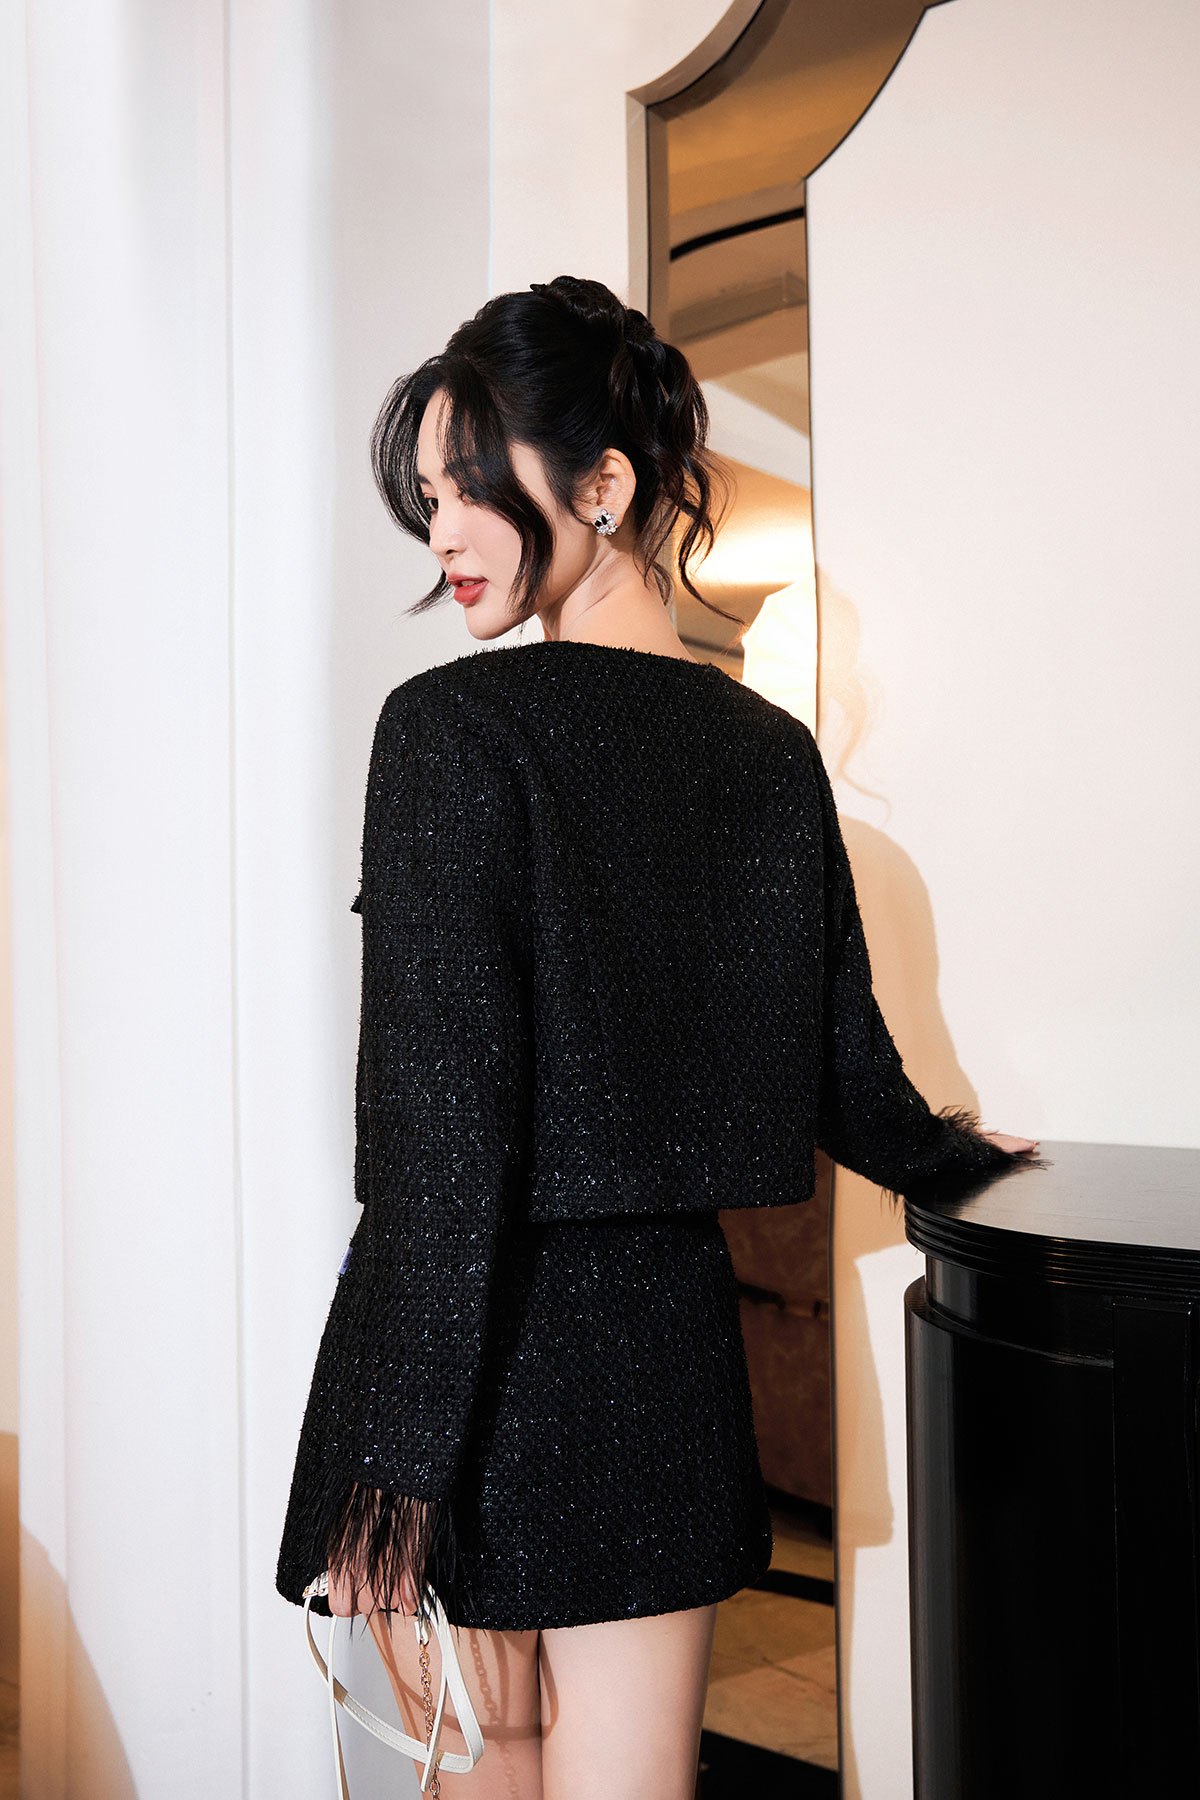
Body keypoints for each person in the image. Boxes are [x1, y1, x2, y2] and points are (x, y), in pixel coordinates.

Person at [274, 274, 1040, 1798]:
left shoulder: (453, 731)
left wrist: (393, 1472)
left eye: (470, 486)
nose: (443, 534)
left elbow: (441, 1139)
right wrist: (989, 1167)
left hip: (475, 1371)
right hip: (668, 1353)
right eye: (428, 498)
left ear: (605, 485)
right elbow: (852, 1080)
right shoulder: (770, 752)